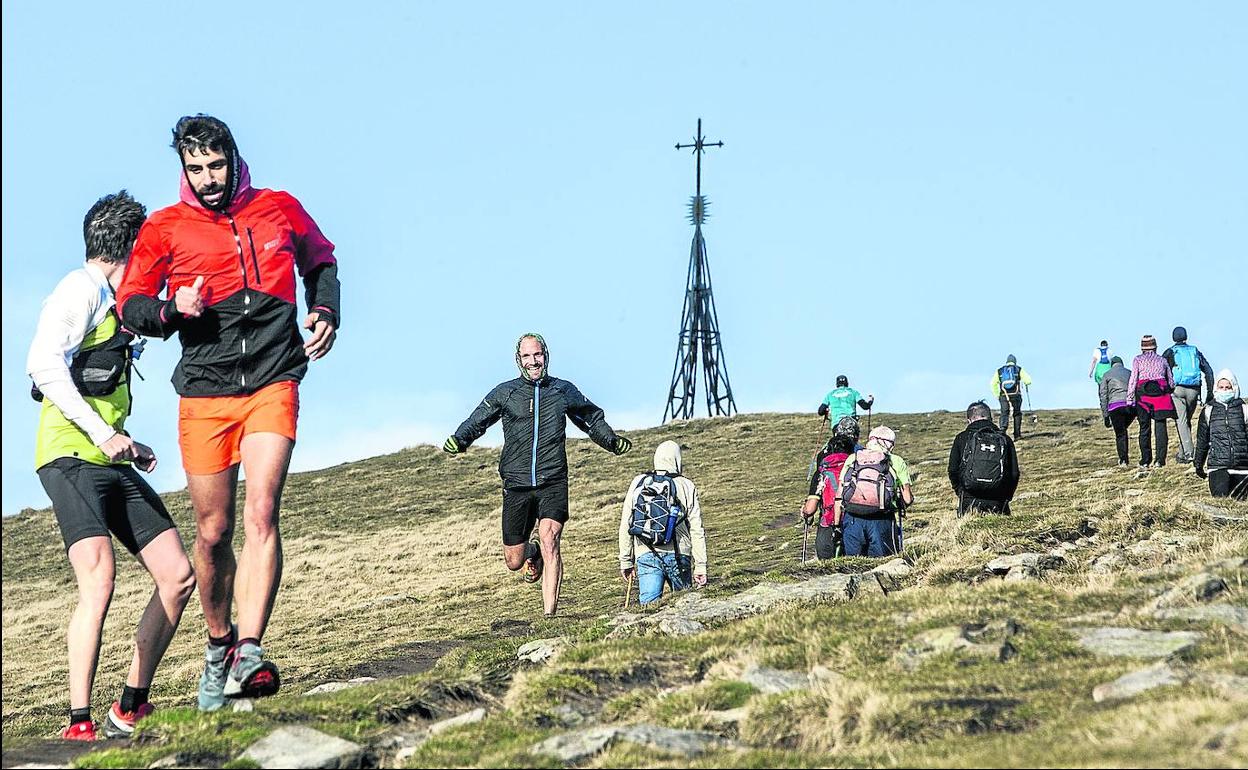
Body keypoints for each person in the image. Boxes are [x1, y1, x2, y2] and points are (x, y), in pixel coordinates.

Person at [116, 115, 342, 710]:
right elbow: (130, 304)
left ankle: (248, 648)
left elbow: (320, 262)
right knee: (213, 534)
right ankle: (218, 645)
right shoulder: (165, 228)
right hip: (205, 390)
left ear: (233, 159)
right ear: (184, 170)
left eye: (217, 165)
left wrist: (325, 311)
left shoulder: (278, 207)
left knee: (263, 511)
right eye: (197, 169)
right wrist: (171, 310)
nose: (209, 178)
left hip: (274, 377)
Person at [27, 191, 195, 741]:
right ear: (130, 249)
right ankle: (78, 724)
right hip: (69, 456)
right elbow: (42, 365)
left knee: (177, 575)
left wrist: (128, 442)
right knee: (99, 578)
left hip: (108, 456)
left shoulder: (112, 299)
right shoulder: (80, 290)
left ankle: (130, 707)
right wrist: (103, 434)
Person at [444, 333, 631, 616]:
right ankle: (532, 553)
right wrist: (460, 439)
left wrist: (611, 440)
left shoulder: (562, 391)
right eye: (527, 357)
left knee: (550, 538)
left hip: (552, 479)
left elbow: (590, 418)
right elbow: (478, 419)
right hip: (517, 484)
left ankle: (549, 615)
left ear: (546, 355)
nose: (534, 362)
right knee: (513, 560)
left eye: (538, 355)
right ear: (518, 360)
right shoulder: (505, 392)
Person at [618, 440, 708, 604]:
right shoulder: (687, 485)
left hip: (646, 552)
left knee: (648, 610)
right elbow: (697, 529)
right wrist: (701, 565)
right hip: (679, 554)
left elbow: (626, 522)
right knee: (685, 606)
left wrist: (626, 560)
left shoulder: (639, 482)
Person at [834, 426, 913, 557]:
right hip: (882, 519)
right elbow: (907, 499)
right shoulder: (896, 461)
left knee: (853, 564)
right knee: (882, 563)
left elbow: (839, 495)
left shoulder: (853, 458)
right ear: (890, 444)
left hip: (852, 517)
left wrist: (836, 525)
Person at [801, 416, 860, 559]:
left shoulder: (823, 468)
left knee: (826, 566)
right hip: (855, 521)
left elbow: (810, 509)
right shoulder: (860, 462)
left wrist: (804, 511)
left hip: (828, 521)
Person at [947, 401, 1020, 515]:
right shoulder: (1005, 439)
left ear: (969, 420)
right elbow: (1014, 473)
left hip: (969, 500)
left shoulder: (962, 438)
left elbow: (952, 470)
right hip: (998, 500)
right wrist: (1006, 497)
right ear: (990, 418)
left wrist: (961, 492)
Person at [1162, 326, 1216, 464]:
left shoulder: (1170, 352)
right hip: (1194, 390)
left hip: (1177, 390)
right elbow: (1208, 371)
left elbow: (1162, 372)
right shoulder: (1195, 351)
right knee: (1186, 421)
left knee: (1181, 421)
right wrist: (1209, 393)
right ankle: (1182, 454)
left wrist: (1164, 391)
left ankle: (1189, 454)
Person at [1194, 370, 1248, 500]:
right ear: (1216, 388)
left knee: (1240, 510)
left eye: (1228, 387)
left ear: (1234, 388)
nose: (1225, 390)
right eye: (1221, 387)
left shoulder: (1244, 409)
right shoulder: (1208, 410)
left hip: (1243, 468)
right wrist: (1198, 465)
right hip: (1217, 468)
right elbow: (1202, 440)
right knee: (1220, 504)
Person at [1127, 335, 1176, 468]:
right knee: (1160, 427)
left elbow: (1133, 380)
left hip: (1143, 397)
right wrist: (1169, 390)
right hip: (1160, 396)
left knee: (1144, 428)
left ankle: (1145, 460)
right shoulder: (1163, 360)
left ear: (1142, 347)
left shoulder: (1137, 360)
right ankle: (1160, 460)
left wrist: (1130, 398)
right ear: (1155, 346)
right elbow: (1171, 382)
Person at [1098, 356, 1136, 466]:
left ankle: (1123, 460)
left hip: (1115, 406)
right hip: (1131, 405)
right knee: (1123, 430)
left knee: (1120, 433)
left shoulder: (1106, 375)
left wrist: (1106, 415)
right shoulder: (1130, 373)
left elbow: (1103, 396)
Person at [990, 355, 1032, 439]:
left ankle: (1002, 431)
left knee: (1004, 412)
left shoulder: (1000, 371)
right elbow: (1028, 381)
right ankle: (1017, 435)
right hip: (1016, 394)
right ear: (1015, 361)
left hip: (1003, 395)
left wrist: (997, 395)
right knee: (1017, 413)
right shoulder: (1019, 369)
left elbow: (992, 383)